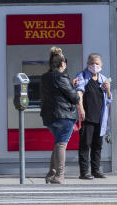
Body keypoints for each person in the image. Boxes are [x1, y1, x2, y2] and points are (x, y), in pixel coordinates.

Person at [39, 47, 81, 184]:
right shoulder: (61, 76)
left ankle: (51, 174)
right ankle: (60, 176)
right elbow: (74, 98)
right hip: (64, 116)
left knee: (57, 144)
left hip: (49, 117)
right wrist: (76, 90)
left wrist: (69, 84)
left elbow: (56, 92)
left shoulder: (45, 77)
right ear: (62, 63)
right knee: (61, 145)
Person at [73, 53, 112, 180]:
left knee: (97, 145)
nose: (94, 66)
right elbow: (79, 92)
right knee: (85, 144)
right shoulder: (83, 76)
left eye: (97, 63)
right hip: (87, 117)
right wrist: (81, 109)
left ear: (101, 65)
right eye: (92, 63)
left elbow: (109, 100)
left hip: (100, 118)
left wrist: (108, 90)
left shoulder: (103, 79)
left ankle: (96, 170)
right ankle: (84, 172)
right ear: (88, 64)